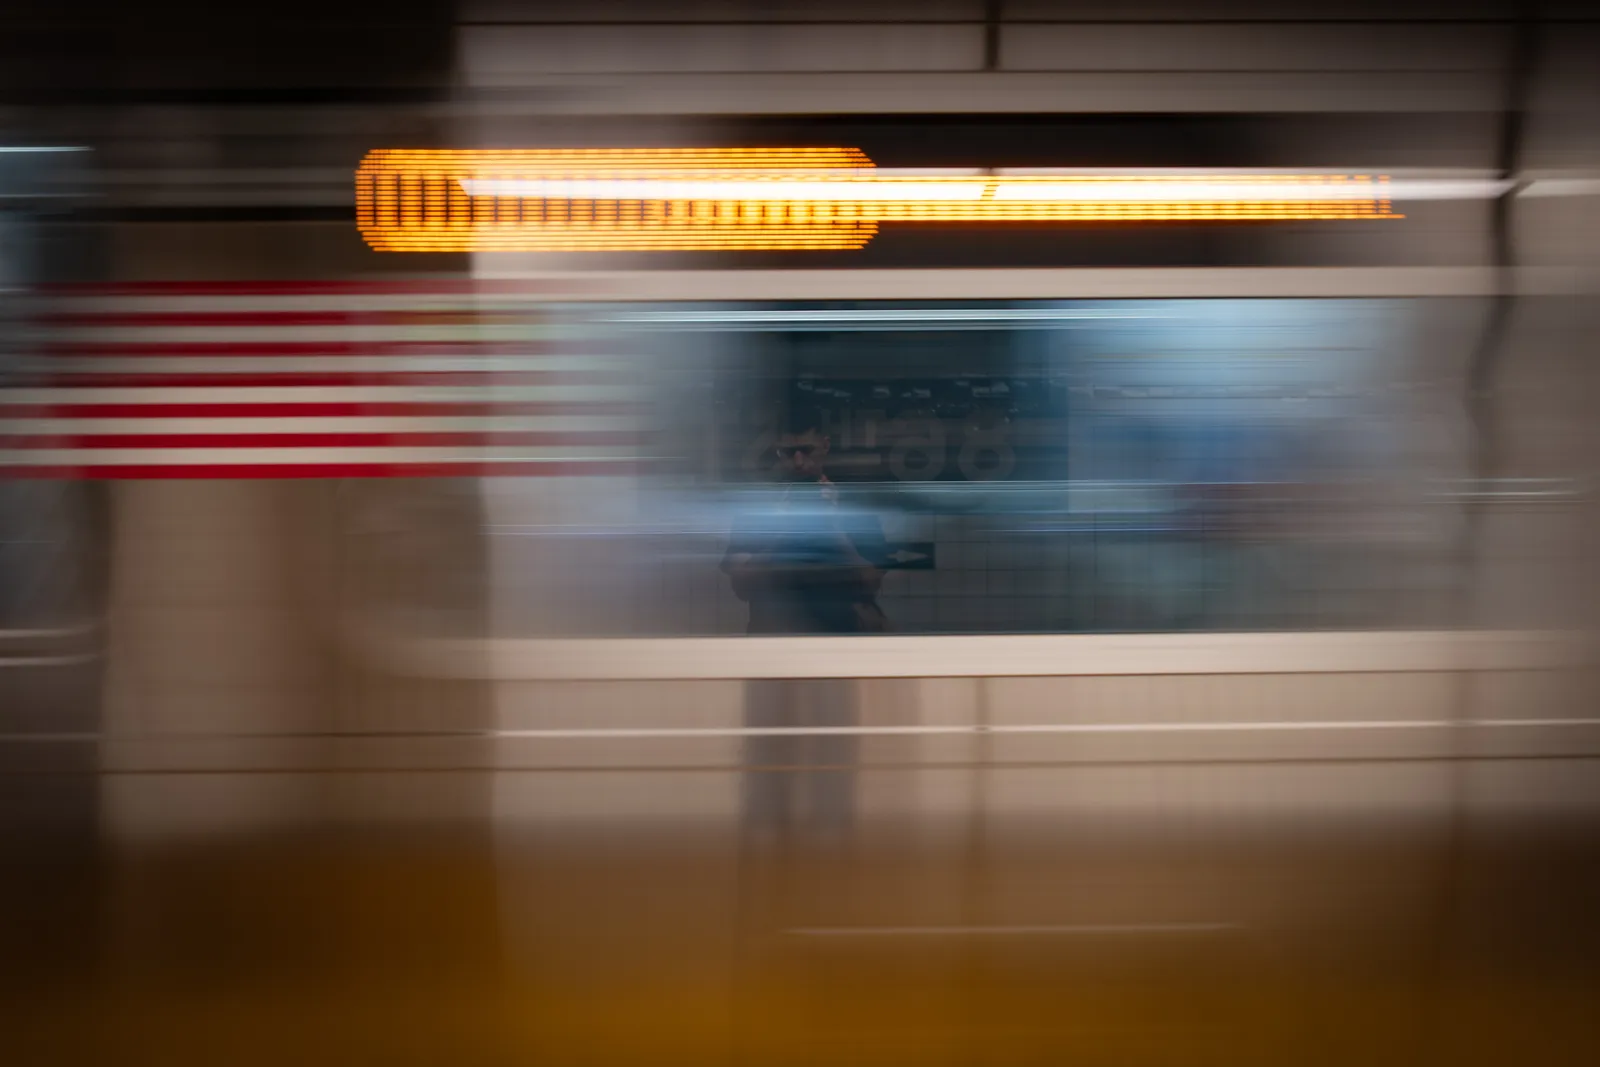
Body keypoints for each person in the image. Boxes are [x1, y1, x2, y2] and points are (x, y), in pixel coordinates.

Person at [721, 410, 889, 843]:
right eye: (787, 453)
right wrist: (782, 531)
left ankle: (835, 844)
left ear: (825, 448)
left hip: (837, 651)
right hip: (770, 653)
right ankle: (769, 842)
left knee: (834, 757)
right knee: (768, 757)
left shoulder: (851, 507)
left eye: (806, 451)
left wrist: (833, 528)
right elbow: (740, 584)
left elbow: (871, 580)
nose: (797, 462)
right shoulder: (758, 509)